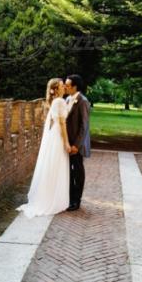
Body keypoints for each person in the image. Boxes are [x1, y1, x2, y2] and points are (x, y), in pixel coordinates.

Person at [15, 78, 75, 218]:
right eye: (61, 86)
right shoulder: (59, 101)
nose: (64, 87)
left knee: (53, 165)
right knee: (56, 166)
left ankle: (49, 195)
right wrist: (66, 142)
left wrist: (71, 102)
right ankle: (53, 199)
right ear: (56, 89)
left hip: (53, 136)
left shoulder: (57, 101)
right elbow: (61, 123)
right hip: (58, 137)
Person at [64, 74, 89, 211]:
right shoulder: (67, 99)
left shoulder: (82, 101)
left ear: (75, 86)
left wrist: (76, 145)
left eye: (67, 85)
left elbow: (84, 126)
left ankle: (76, 200)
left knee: (77, 172)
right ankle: (68, 198)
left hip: (76, 146)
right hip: (67, 144)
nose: (65, 87)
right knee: (68, 172)